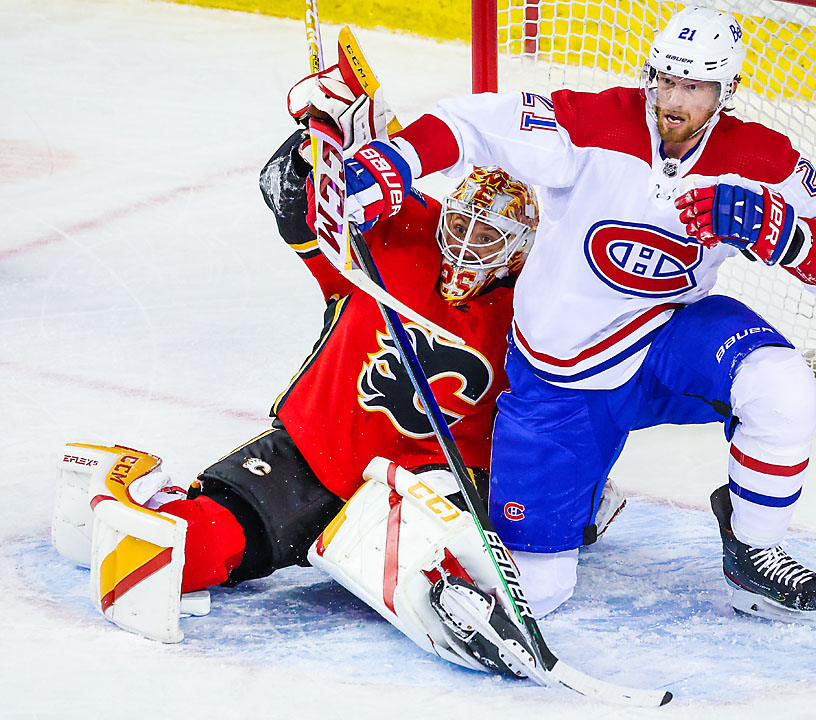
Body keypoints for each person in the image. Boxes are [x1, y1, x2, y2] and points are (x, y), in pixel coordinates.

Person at [51, 62, 623, 674]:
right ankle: (145, 508)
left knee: (488, 539)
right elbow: (294, 199)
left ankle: (510, 553)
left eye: (488, 238)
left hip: (432, 482)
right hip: (318, 450)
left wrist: (564, 493)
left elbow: (574, 408)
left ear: (520, 251)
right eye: (459, 224)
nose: (464, 244)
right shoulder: (399, 233)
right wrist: (316, 140)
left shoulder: (538, 311)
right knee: (208, 542)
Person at [339, 5, 816, 631]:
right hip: (557, 376)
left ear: (725, 91)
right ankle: (567, 503)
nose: (674, 100)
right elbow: (474, 125)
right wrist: (392, 162)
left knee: (783, 388)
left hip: (668, 340)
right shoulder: (590, 122)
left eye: (695, 87)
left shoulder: (758, 158)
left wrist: (775, 227)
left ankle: (755, 548)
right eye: (666, 80)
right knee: (537, 587)